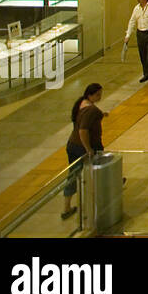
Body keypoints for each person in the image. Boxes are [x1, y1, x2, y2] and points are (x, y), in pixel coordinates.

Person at [61, 83, 104, 220]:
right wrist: (88, 149)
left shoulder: (81, 103)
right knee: (99, 168)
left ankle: (66, 207)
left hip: (72, 145)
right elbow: (83, 130)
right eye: (98, 94)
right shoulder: (90, 110)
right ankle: (109, 185)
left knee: (73, 174)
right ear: (90, 95)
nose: (100, 96)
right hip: (84, 147)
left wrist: (102, 114)